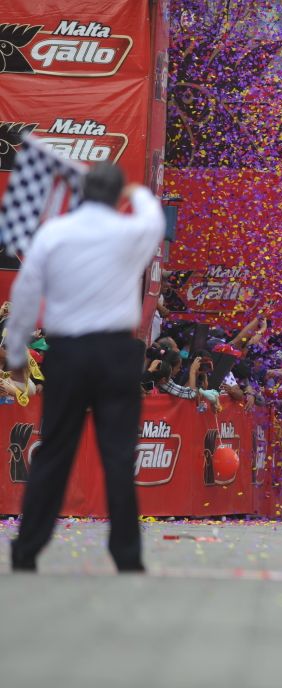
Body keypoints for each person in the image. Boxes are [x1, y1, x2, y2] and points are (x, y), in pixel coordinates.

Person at [7, 162, 164, 572]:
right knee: (117, 456)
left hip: (68, 354)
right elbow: (153, 217)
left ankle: (27, 551)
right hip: (116, 354)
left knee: (54, 453)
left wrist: (17, 355)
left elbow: (24, 296)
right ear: (117, 198)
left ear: (80, 194)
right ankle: (127, 558)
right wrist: (139, 192)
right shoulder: (130, 232)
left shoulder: (54, 234)